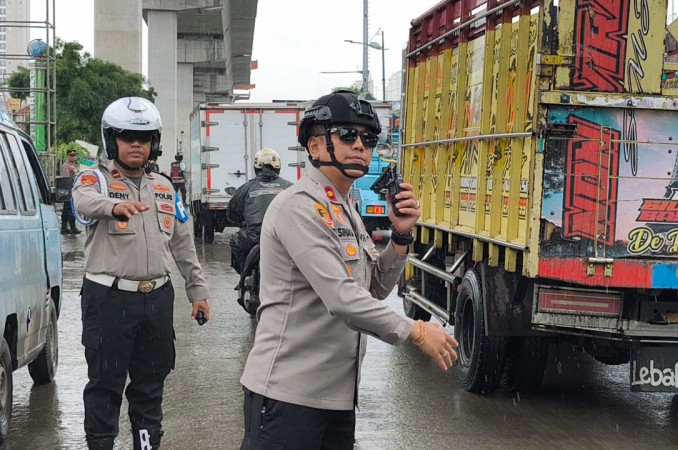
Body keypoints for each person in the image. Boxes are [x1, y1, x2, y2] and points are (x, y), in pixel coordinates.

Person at [239, 90, 458, 449]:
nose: (360, 145)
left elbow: (372, 290)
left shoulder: (346, 209)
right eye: (346, 135)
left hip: (337, 399)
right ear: (314, 146)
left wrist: (400, 235)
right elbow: (342, 299)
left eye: (368, 138)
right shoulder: (298, 206)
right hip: (289, 397)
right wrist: (415, 330)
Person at [72, 97, 212, 450]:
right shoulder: (94, 179)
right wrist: (114, 206)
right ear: (111, 140)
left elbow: (183, 244)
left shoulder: (165, 186)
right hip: (109, 299)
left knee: (151, 385)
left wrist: (199, 293)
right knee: (105, 384)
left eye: (144, 137)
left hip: (157, 300)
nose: (136, 144)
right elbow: (83, 202)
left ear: (154, 143)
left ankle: (146, 445)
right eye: (126, 136)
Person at [227, 148, 293, 276]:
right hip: (284, 237)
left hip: (254, 237)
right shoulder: (290, 187)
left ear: (256, 167)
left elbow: (232, 212)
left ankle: (244, 277)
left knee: (235, 241)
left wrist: (241, 222)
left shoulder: (247, 187)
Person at [60, 149, 81, 235]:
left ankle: (64, 228)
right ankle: (72, 227)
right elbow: (66, 179)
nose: (74, 157)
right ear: (68, 156)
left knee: (66, 209)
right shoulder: (66, 166)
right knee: (70, 208)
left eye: (74, 155)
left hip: (71, 189)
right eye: (71, 155)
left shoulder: (73, 165)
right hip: (68, 189)